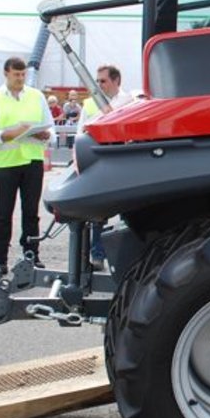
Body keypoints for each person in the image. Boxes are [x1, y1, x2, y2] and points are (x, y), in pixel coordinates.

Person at [0, 56, 53, 276]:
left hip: (32, 160)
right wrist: (7, 134)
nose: (20, 79)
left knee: (31, 212)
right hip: (7, 163)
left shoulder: (36, 96)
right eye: (16, 75)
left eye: (23, 75)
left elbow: (51, 128)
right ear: (6, 74)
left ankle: (31, 254)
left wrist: (45, 134)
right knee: (4, 213)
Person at [78, 64, 136, 271]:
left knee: (127, 213)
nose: (99, 85)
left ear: (116, 81)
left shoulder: (129, 102)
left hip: (122, 162)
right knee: (97, 214)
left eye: (103, 81)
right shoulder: (89, 103)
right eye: (97, 81)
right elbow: (80, 133)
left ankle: (126, 259)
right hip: (98, 162)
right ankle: (97, 255)